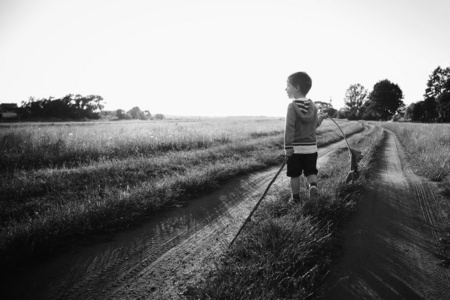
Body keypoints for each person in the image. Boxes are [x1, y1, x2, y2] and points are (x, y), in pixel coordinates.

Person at [284, 71, 327, 209]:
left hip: (296, 149)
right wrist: (320, 118)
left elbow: (289, 127)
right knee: (311, 172)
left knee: (294, 174)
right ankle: (313, 186)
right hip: (311, 148)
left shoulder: (292, 106)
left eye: (288, 85)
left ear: (296, 87)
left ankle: (295, 198)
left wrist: (288, 147)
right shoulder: (313, 107)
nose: (286, 89)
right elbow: (314, 126)